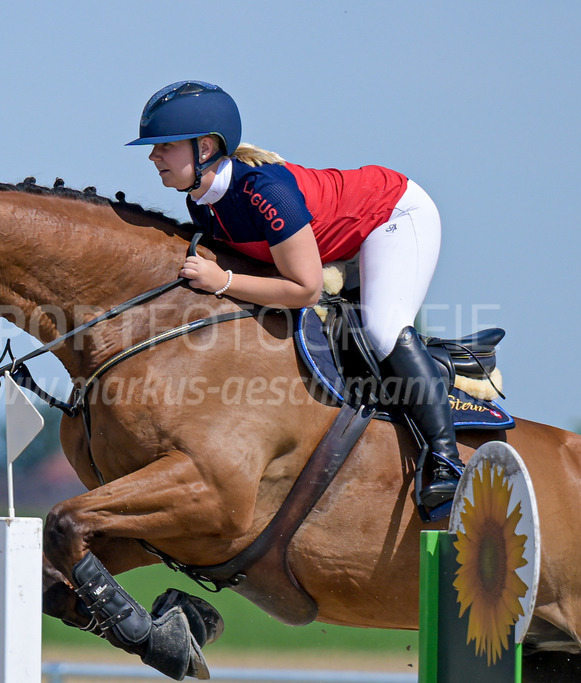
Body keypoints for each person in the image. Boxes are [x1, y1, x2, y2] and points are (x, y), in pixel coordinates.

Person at [126, 80, 465, 516]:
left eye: (164, 145)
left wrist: (222, 281)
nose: (153, 156)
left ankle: (445, 463)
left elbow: (303, 290)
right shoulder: (202, 200)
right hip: (337, 238)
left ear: (205, 148)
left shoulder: (265, 191)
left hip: (394, 215)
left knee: (381, 329)